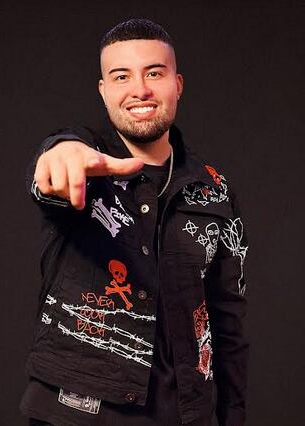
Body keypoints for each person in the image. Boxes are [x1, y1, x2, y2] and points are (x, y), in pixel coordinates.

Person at [20, 18, 249, 426]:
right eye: (121, 76)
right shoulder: (83, 163)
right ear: (103, 90)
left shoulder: (215, 190)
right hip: (75, 415)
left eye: (154, 73)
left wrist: (232, 416)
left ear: (177, 84)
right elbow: (53, 170)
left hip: (184, 415)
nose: (139, 89)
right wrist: (58, 154)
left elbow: (226, 318)